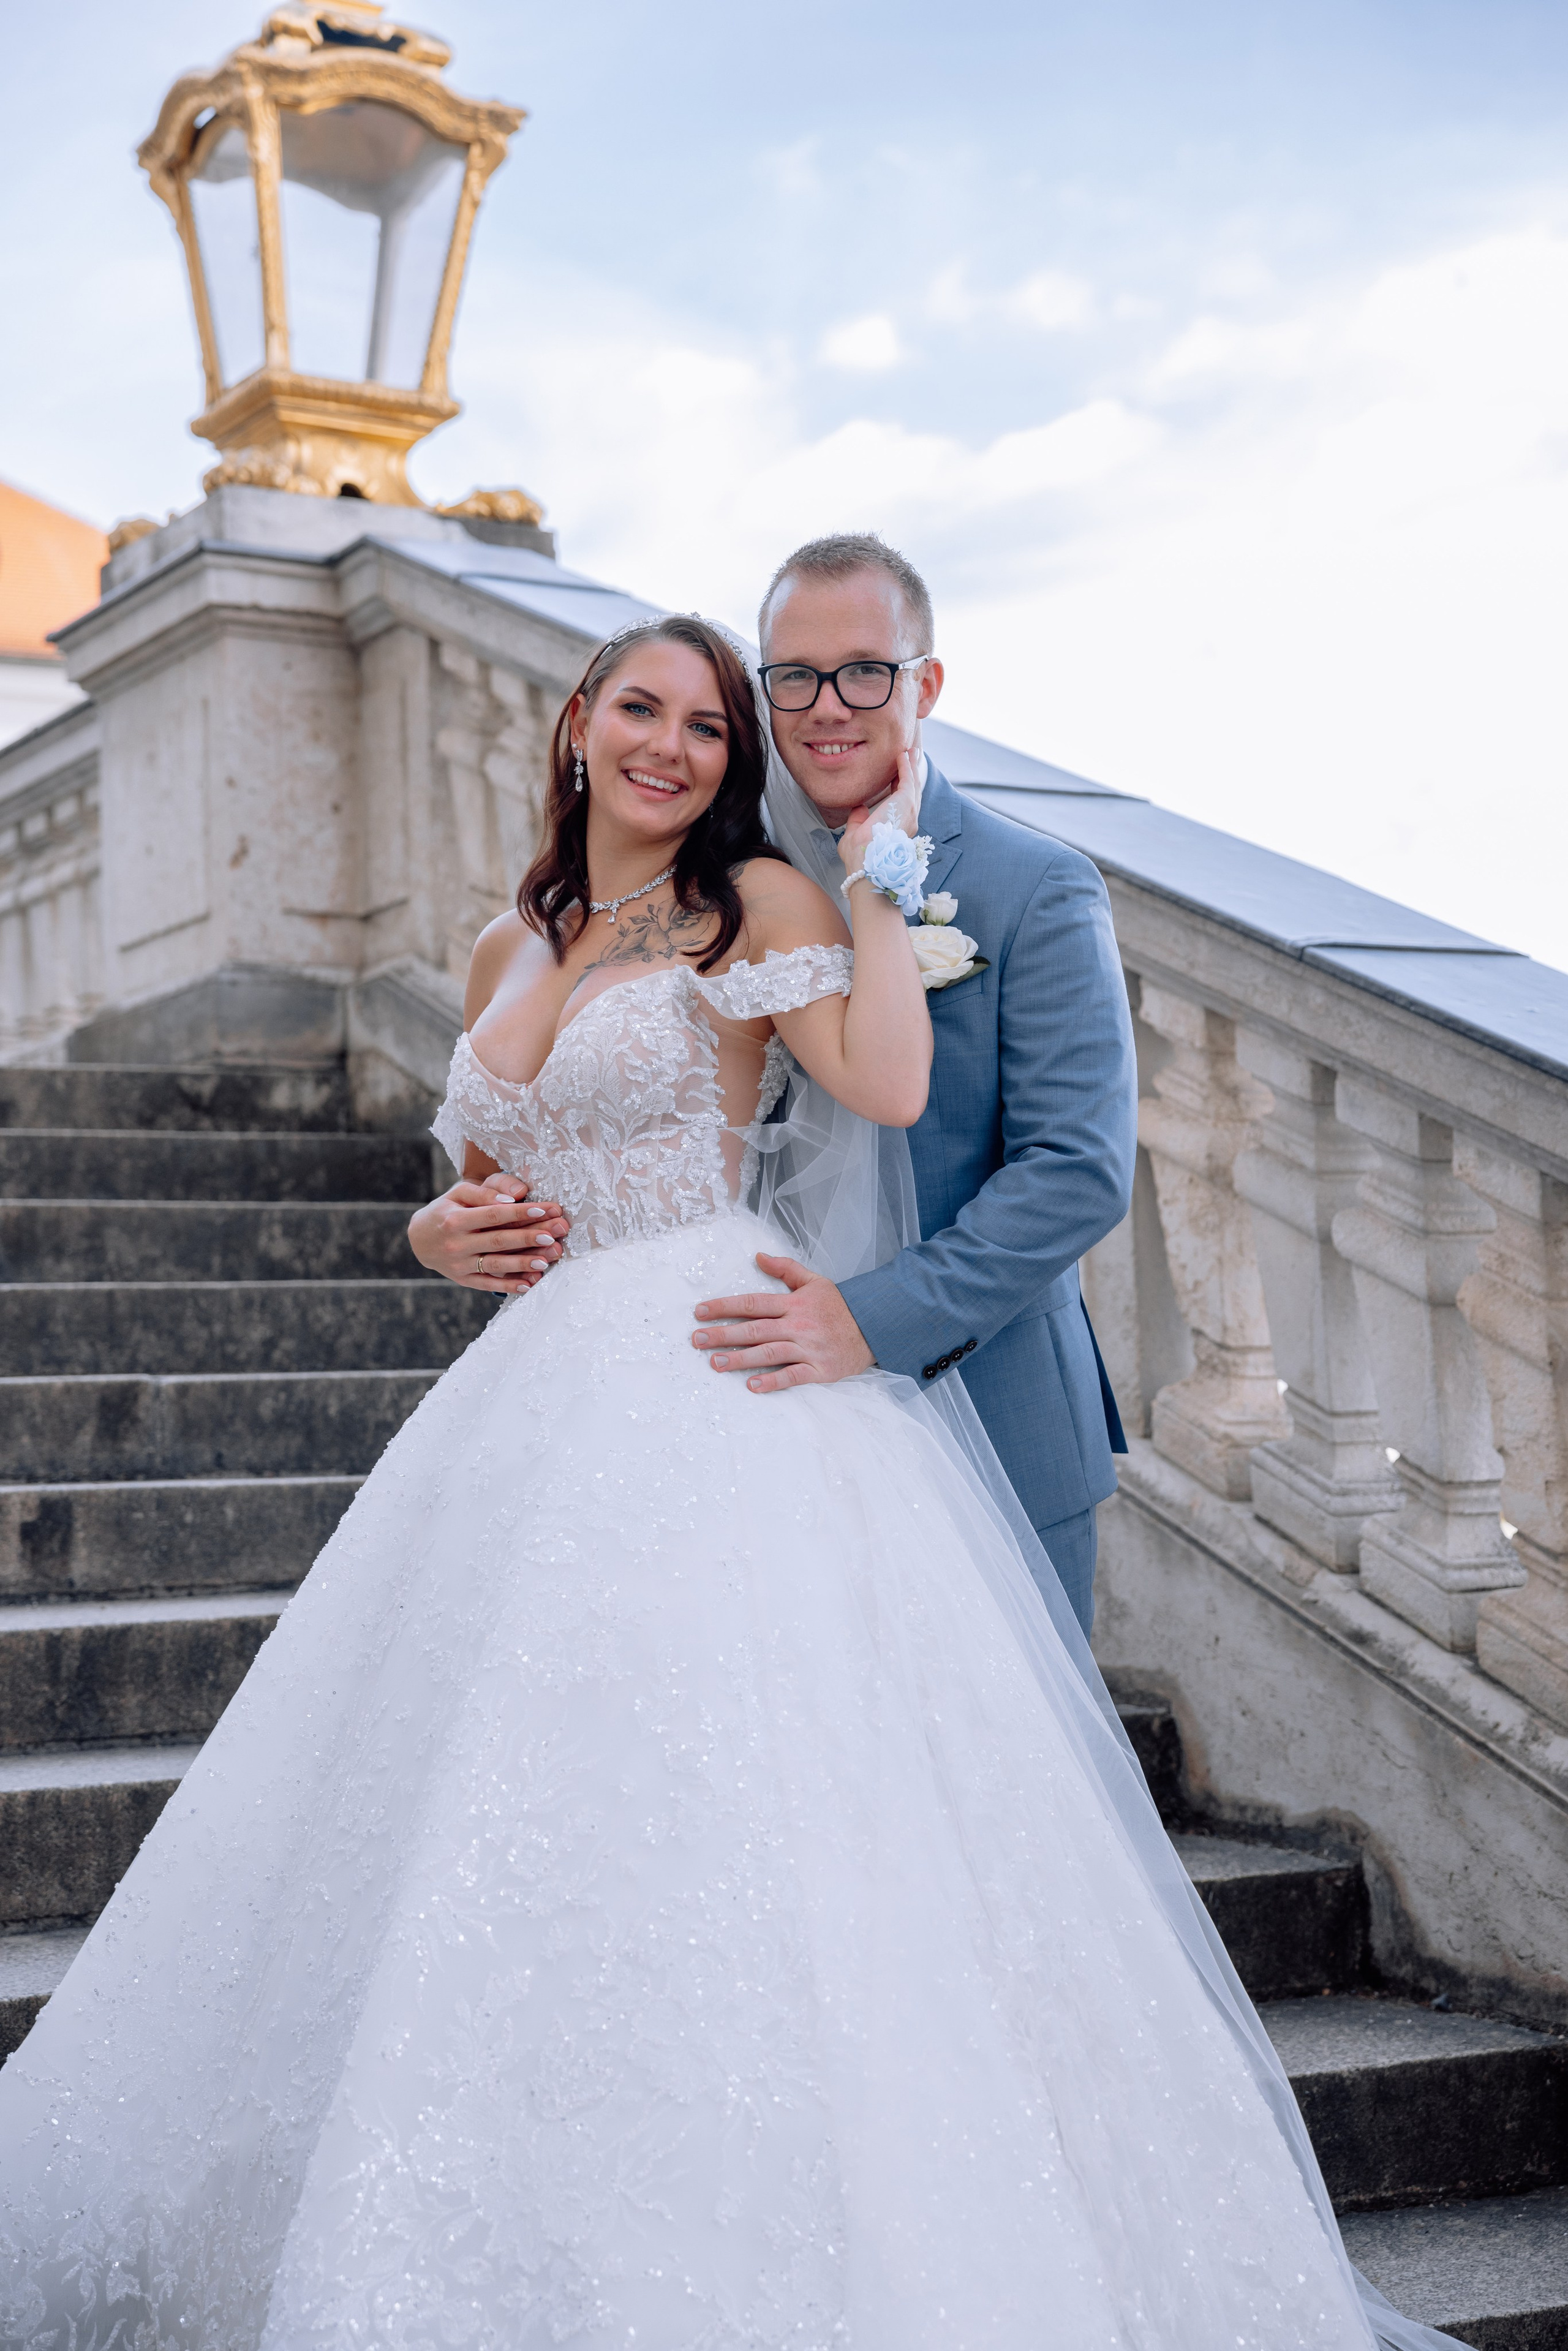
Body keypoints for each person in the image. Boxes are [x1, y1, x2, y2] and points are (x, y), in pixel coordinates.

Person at [0, 616, 1455, 2350]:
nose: (676, 745)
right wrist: (425, 1225)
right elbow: (484, 1176)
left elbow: (890, 1081)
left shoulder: (756, 906)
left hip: (712, 1361)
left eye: (707, 720)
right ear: (576, 724)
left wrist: (880, 878)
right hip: (528, 1406)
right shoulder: (502, 942)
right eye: (644, 707)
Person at [410, 538, 1135, 1634]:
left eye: (866, 672)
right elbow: (536, 1150)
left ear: (924, 683)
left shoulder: (1034, 886)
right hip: (706, 1387)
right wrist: (441, 1228)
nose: (827, 705)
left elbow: (1077, 1173)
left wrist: (870, 1321)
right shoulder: (718, 868)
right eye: (792, 675)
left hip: (980, 1405)